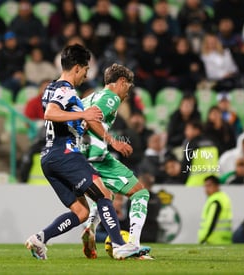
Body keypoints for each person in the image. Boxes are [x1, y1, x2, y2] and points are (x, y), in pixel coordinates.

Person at [24, 45, 147, 261]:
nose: (87, 75)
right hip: (65, 153)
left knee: (81, 212)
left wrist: (108, 139)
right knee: (103, 195)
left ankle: (40, 238)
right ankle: (119, 245)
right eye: (86, 70)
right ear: (78, 68)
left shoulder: (51, 88)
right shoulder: (66, 89)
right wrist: (84, 114)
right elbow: (51, 113)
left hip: (49, 158)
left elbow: (70, 115)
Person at [80, 63, 152, 259]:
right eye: (128, 86)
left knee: (106, 195)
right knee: (141, 193)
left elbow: (81, 119)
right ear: (121, 82)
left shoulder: (89, 97)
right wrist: (115, 142)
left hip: (80, 155)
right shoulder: (111, 97)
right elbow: (92, 120)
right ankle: (132, 244)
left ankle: (91, 227)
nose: (127, 93)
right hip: (98, 156)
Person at [182, 120, 219, 186]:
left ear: (196, 130)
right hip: (212, 184)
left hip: (195, 183)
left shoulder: (192, 144)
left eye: (188, 129)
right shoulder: (213, 143)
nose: (185, 132)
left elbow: (186, 165)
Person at [198, 175, 233, 244]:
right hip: (224, 240)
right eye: (205, 186)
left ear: (217, 186)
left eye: (209, 186)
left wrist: (203, 238)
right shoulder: (223, 197)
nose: (206, 189)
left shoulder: (215, 200)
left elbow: (211, 221)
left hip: (213, 240)